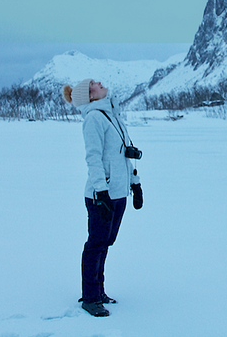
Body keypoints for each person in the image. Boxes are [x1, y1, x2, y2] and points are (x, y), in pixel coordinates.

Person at [62, 79, 143, 317]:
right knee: (96, 244)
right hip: (102, 195)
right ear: (90, 96)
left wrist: (135, 185)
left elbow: (124, 156)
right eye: (93, 84)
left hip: (118, 193)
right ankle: (90, 297)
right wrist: (101, 193)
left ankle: (99, 291)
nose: (98, 82)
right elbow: (93, 158)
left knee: (105, 243)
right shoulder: (94, 119)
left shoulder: (112, 115)